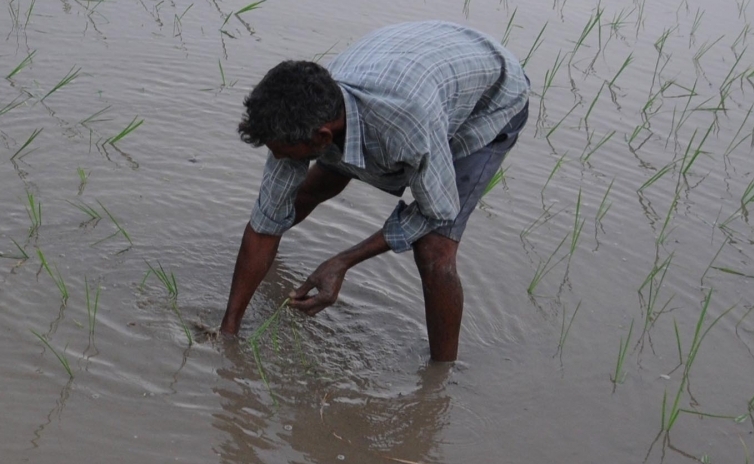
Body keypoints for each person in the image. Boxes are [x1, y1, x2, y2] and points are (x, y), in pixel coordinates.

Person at [219, 21, 530, 363]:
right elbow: (266, 221)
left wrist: (342, 261)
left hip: (489, 99)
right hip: (416, 61)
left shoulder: (407, 123)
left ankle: (441, 377)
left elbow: (437, 209)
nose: (277, 158)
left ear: (323, 136)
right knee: (306, 190)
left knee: (434, 249)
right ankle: (262, 274)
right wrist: (228, 332)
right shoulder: (302, 117)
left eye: (283, 151)